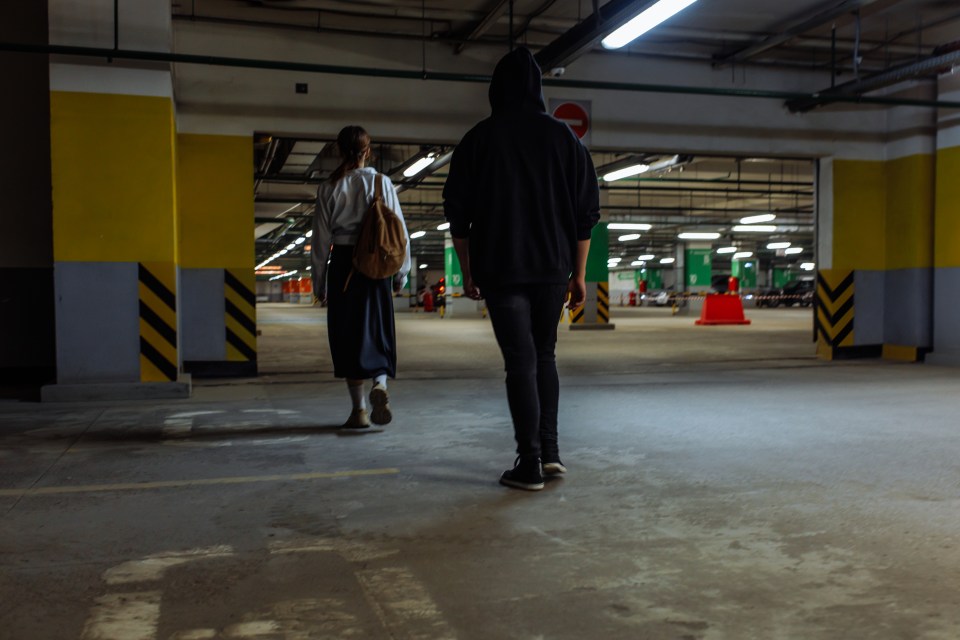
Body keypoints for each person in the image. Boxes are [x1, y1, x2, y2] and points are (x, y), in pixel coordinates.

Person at [442, 47, 600, 491]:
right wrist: (579, 274)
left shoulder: (479, 139)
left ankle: (528, 462)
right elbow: (586, 213)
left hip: (501, 267)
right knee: (544, 355)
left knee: (520, 362)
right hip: (552, 268)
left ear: (496, 89)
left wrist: (467, 270)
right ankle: (549, 453)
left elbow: (457, 212)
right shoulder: (566, 140)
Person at [312, 125, 412, 428]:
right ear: (368, 151)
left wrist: (320, 282)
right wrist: (401, 273)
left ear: (340, 151)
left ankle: (358, 412)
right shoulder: (383, 183)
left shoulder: (330, 186)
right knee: (378, 329)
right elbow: (400, 233)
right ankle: (380, 382)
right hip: (377, 264)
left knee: (347, 336)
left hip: (344, 266)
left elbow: (320, 240)